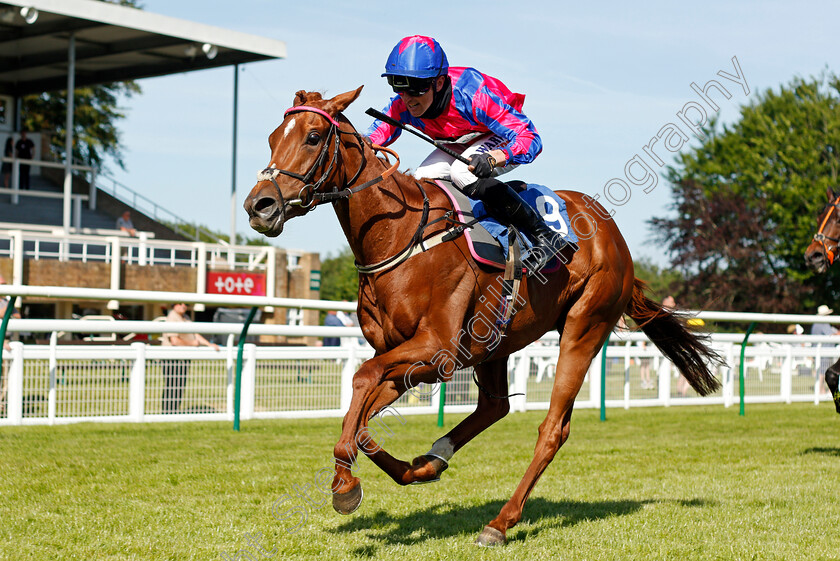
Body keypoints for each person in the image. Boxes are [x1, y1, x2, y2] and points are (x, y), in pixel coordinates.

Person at [366, 35, 562, 271]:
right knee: (423, 179)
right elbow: (375, 135)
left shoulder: (474, 96)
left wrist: (494, 158)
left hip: (498, 135)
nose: (407, 97)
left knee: (462, 173)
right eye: (398, 83)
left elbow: (530, 137)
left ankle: (546, 237)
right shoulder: (404, 103)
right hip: (460, 140)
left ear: (438, 83)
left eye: (415, 87)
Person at [161, 302, 219, 413]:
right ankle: (167, 412)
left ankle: (174, 411)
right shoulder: (172, 318)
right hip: (172, 358)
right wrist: (193, 343)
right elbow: (174, 341)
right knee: (172, 385)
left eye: (185, 304)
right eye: (180, 303)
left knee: (180, 385)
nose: (183, 306)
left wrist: (208, 344)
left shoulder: (186, 318)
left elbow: (195, 334)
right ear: (174, 305)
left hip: (183, 357)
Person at [811, 305, 838, 397]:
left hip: (817, 350)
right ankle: (820, 391)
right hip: (824, 351)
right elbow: (832, 335)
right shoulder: (823, 323)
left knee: (820, 371)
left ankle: (821, 390)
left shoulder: (815, 324)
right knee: (822, 372)